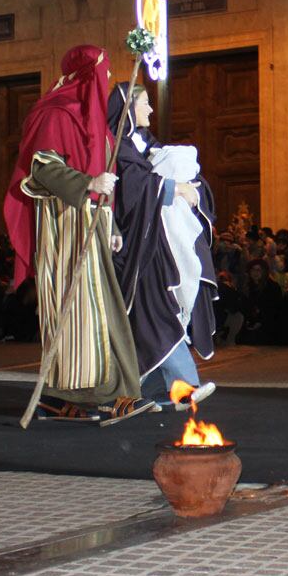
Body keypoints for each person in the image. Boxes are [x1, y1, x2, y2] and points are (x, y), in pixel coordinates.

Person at [4, 46, 147, 423]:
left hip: (91, 225)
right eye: (101, 71)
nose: (104, 78)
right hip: (65, 230)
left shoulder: (94, 123)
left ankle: (66, 394)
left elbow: (104, 182)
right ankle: (103, 394)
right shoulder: (55, 113)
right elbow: (42, 169)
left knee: (99, 308)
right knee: (87, 314)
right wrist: (87, 183)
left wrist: (111, 224)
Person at [105, 79, 220, 405]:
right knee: (161, 314)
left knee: (158, 315)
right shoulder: (118, 148)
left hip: (159, 244)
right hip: (140, 247)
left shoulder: (146, 143)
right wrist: (174, 189)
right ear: (128, 109)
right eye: (144, 103)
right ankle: (184, 387)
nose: (152, 109)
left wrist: (191, 186)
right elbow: (132, 191)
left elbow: (166, 169)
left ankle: (153, 392)